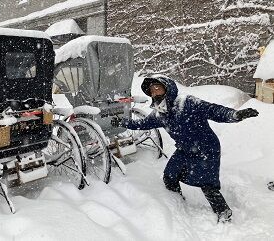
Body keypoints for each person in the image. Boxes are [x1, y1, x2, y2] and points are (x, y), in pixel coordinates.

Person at [111, 75, 259, 223]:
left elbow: (213, 110)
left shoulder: (187, 102)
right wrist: (123, 122)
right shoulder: (159, 113)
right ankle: (176, 201)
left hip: (206, 149)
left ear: (167, 89)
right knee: (170, 176)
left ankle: (224, 213)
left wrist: (235, 115)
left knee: (207, 185)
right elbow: (142, 124)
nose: (155, 93)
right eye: (152, 91)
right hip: (185, 150)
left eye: (158, 88)